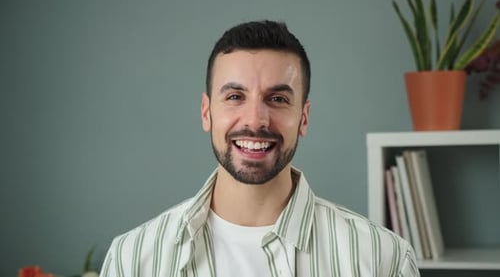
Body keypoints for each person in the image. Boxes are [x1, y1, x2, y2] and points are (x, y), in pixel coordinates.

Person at [99, 20, 420, 277]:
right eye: (235, 97)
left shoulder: (383, 259)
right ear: (206, 112)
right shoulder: (132, 259)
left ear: (303, 118)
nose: (255, 120)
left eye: (278, 99)